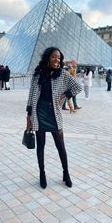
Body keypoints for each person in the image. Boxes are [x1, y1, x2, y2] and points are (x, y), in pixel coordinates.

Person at [26, 47, 82, 189]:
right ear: (47, 58)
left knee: (60, 146)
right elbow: (32, 94)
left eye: (59, 57)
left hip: (54, 114)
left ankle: (66, 173)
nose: (57, 60)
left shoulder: (62, 74)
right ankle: (42, 174)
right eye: (54, 57)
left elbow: (78, 87)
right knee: (41, 145)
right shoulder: (38, 74)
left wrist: (67, 94)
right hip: (39, 113)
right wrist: (29, 115)